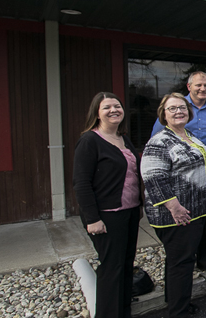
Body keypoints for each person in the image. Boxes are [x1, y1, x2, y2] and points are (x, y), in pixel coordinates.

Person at [141, 93, 206, 317]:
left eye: (182, 107)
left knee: (179, 260)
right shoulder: (159, 140)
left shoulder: (188, 135)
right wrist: (174, 207)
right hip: (175, 214)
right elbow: (153, 177)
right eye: (172, 109)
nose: (178, 112)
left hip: (194, 210)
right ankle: (178, 311)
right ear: (163, 114)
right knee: (181, 262)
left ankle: (176, 301)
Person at [151, 71, 206, 272]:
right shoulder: (176, 107)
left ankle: (204, 258)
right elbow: (157, 137)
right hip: (179, 172)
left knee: (204, 212)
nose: (202, 89)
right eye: (198, 85)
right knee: (182, 213)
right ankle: (183, 257)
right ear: (189, 86)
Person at [73, 92, 142, 318]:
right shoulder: (89, 141)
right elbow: (81, 183)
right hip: (107, 214)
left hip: (129, 212)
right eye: (107, 107)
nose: (114, 110)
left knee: (125, 264)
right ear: (97, 113)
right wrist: (92, 219)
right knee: (111, 268)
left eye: (117, 106)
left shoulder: (123, 138)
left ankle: (123, 311)